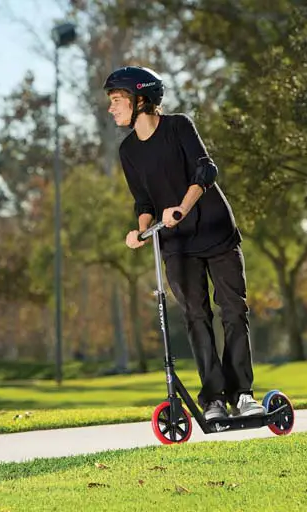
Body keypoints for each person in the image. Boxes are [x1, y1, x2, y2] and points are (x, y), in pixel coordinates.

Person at [103, 65, 265, 421]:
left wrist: (182, 207)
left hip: (214, 230)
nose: (111, 108)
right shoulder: (128, 150)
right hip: (175, 241)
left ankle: (243, 394)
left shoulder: (178, 126)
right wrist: (141, 230)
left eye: (117, 100)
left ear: (141, 100)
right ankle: (214, 400)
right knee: (195, 316)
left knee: (233, 311)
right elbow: (143, 201)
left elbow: (205, 170)